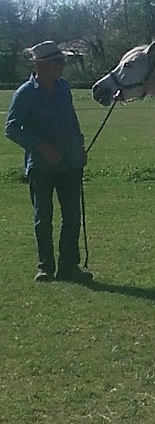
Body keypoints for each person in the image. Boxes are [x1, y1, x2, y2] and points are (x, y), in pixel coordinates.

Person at [4, 40, 93, 283]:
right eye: (58, 62)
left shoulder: (64, 87)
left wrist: (80, 146)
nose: (62, 67)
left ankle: (69, 267)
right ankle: (45, 267)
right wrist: (40, 146)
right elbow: (11, 128)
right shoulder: (25, 93)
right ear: (42, 65)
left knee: (72, 217)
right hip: (41, 168)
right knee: (43, 218)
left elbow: (72, 121)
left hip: (70, 164)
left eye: (62, 62)